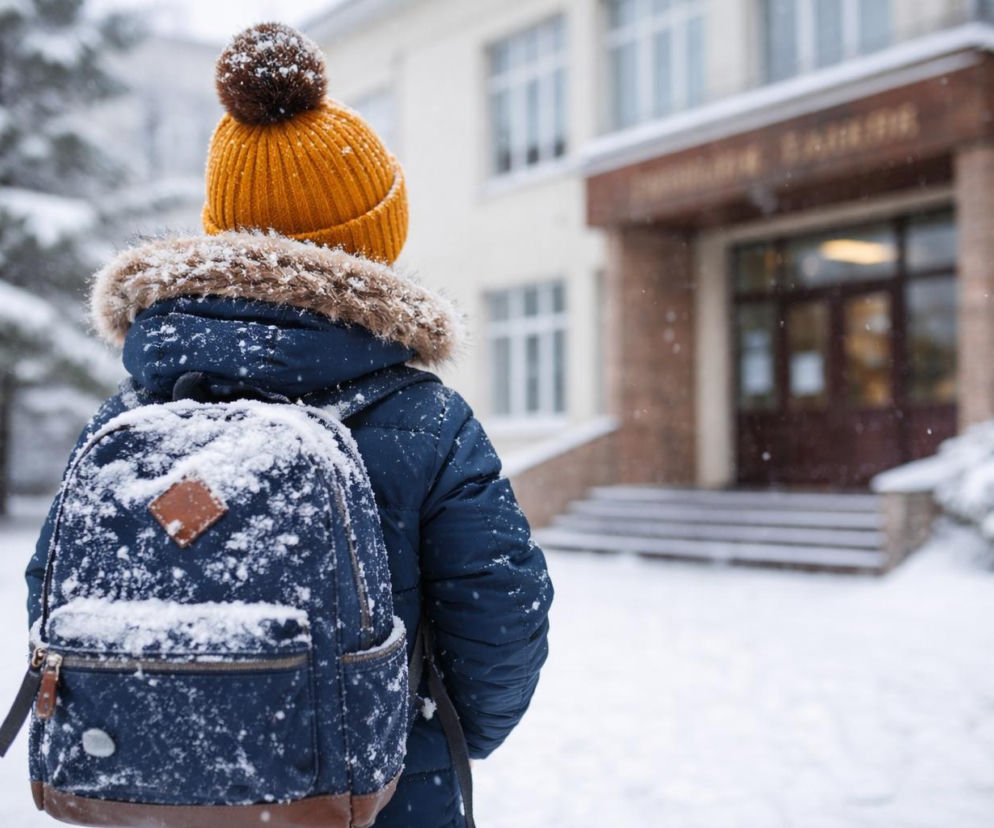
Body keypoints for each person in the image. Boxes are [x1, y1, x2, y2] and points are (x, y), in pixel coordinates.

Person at [25, 22, 552, 828]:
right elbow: (502, 614)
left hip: (146, 796)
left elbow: (50, 591)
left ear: (220, 227)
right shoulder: (426, 419)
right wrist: (422, 744)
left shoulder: (132, 411)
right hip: (368, 794)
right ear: (375, 238)